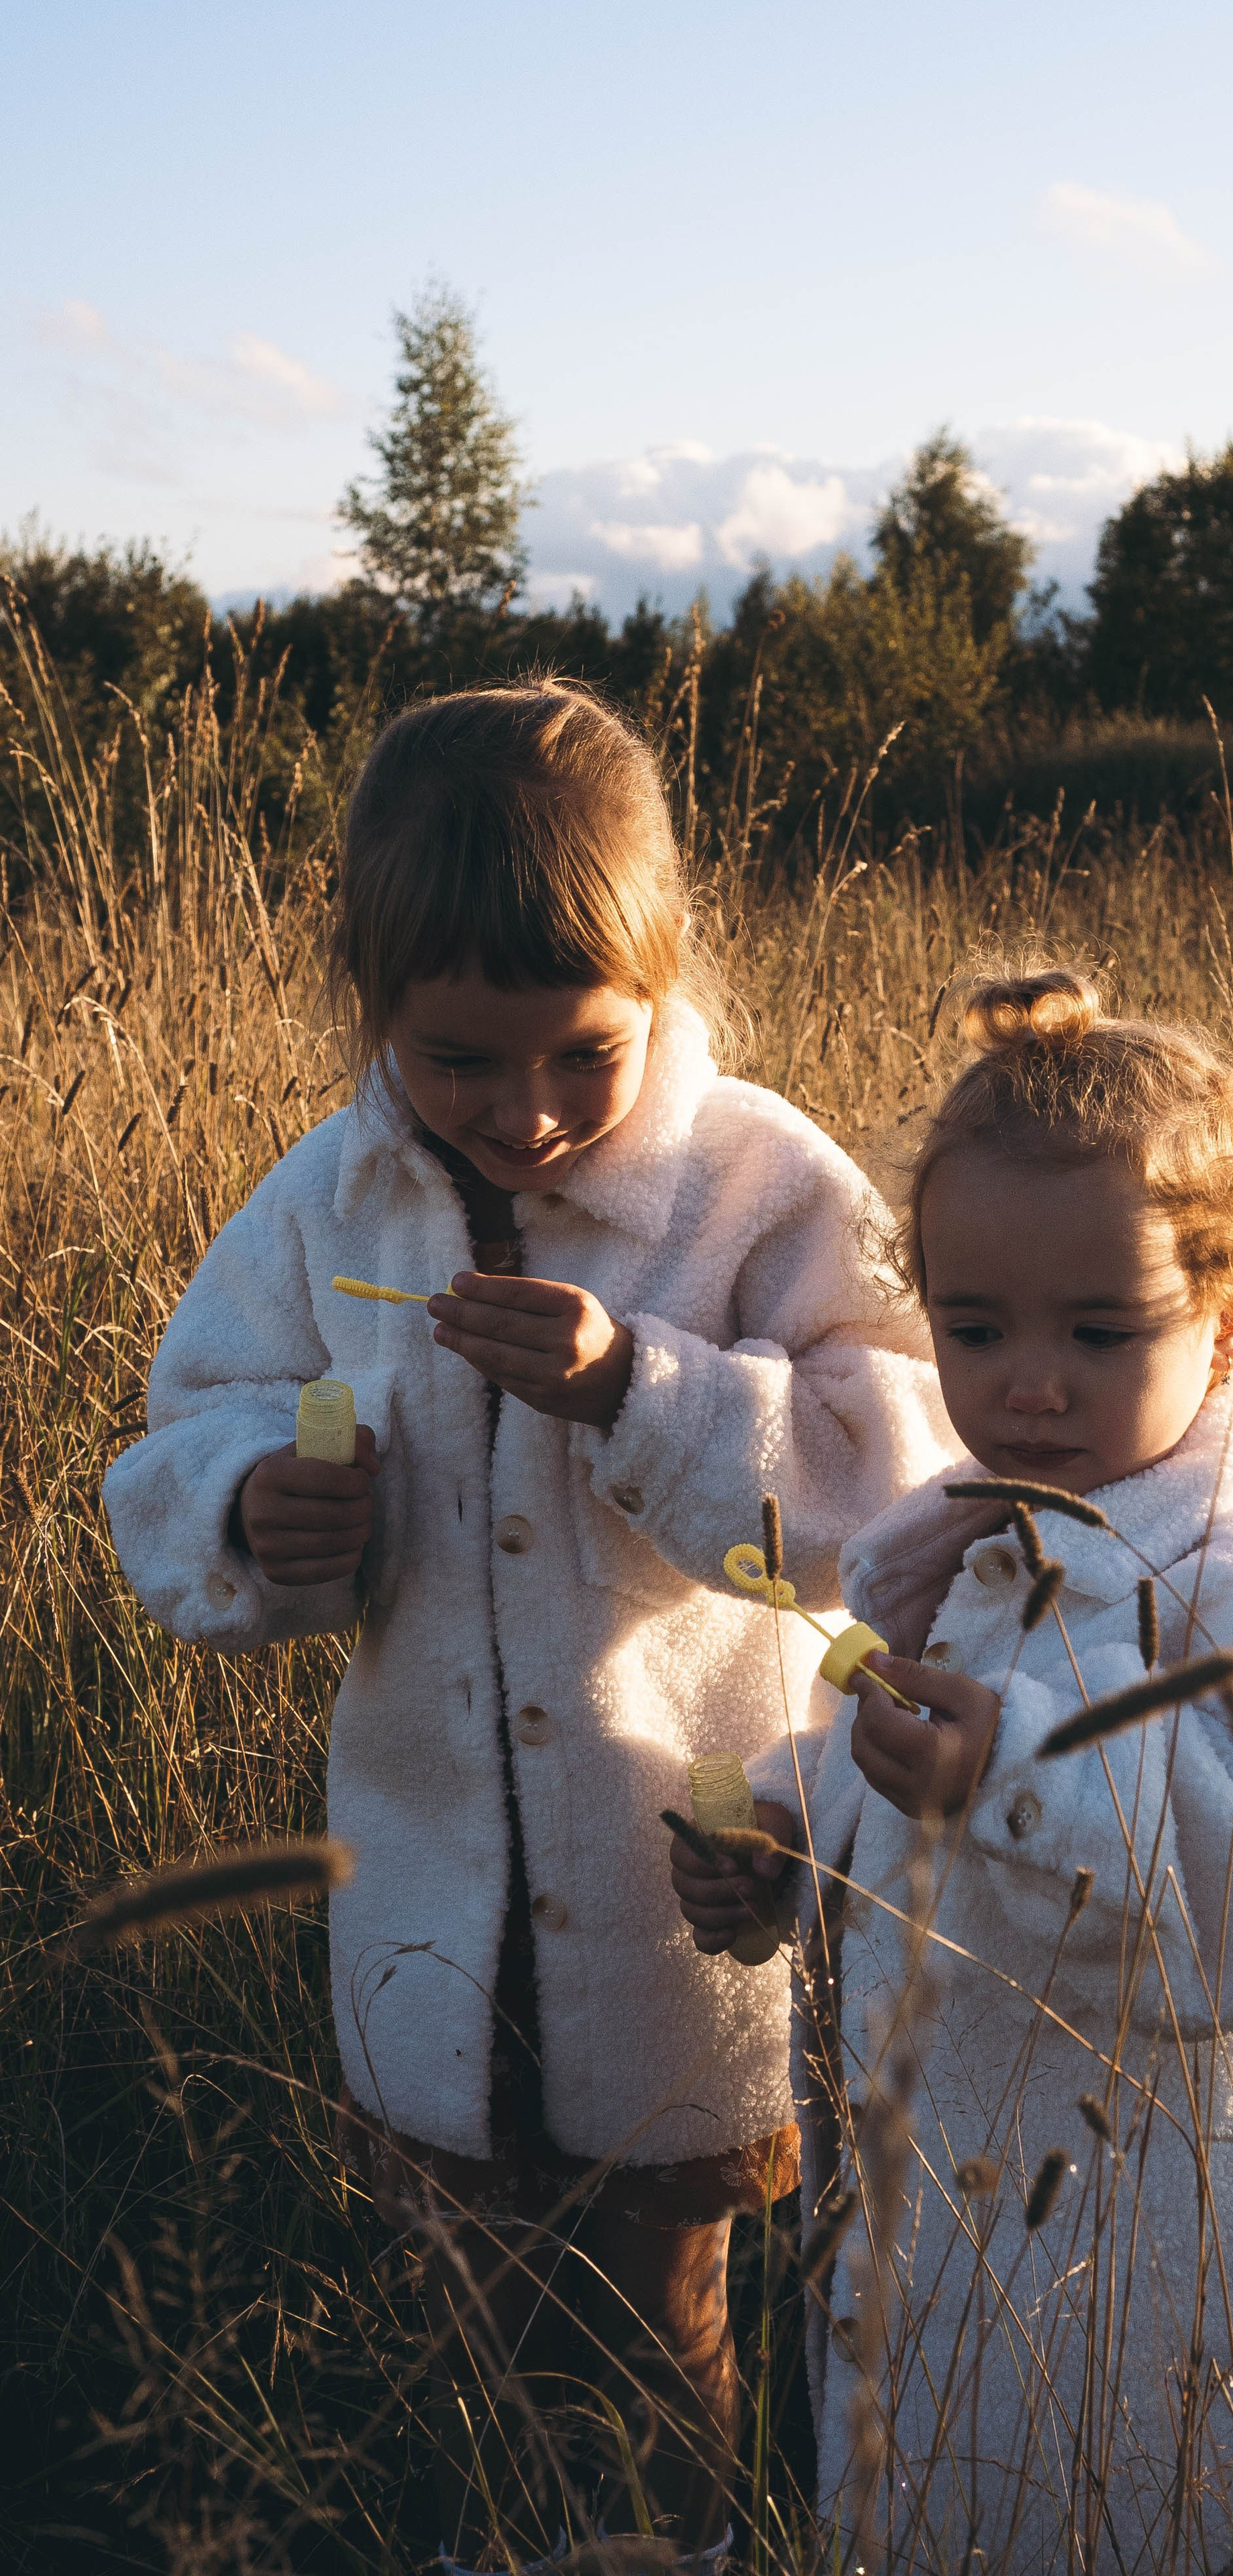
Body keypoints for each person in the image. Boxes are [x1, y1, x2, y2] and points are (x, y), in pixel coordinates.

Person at [103, 683, 956, 2575]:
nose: (529, 1110)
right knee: (476, 2319)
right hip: (423, 1887)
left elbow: (898, 1487)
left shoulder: (753, 1183)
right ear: (372, 1008)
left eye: (583, 1049)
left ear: (662, 976)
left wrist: (641, 1393)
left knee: (662, 2323)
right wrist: (260, 1503)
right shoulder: (337, 1196)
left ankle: (678, 2552)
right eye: (459, 1058)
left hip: (680, 1888)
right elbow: (187, 1424)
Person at [672, 967, 1233, 2574]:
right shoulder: (978, 1535)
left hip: (1159, 2224)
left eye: (1099, 1333)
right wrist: (791, 1831)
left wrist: (1020, 1780)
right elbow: (901, 1765)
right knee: (947, 2479)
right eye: (972, 1328)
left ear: (1225, 1320)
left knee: (1122, 2505)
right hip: (948, 2191)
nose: (1027, 1381)